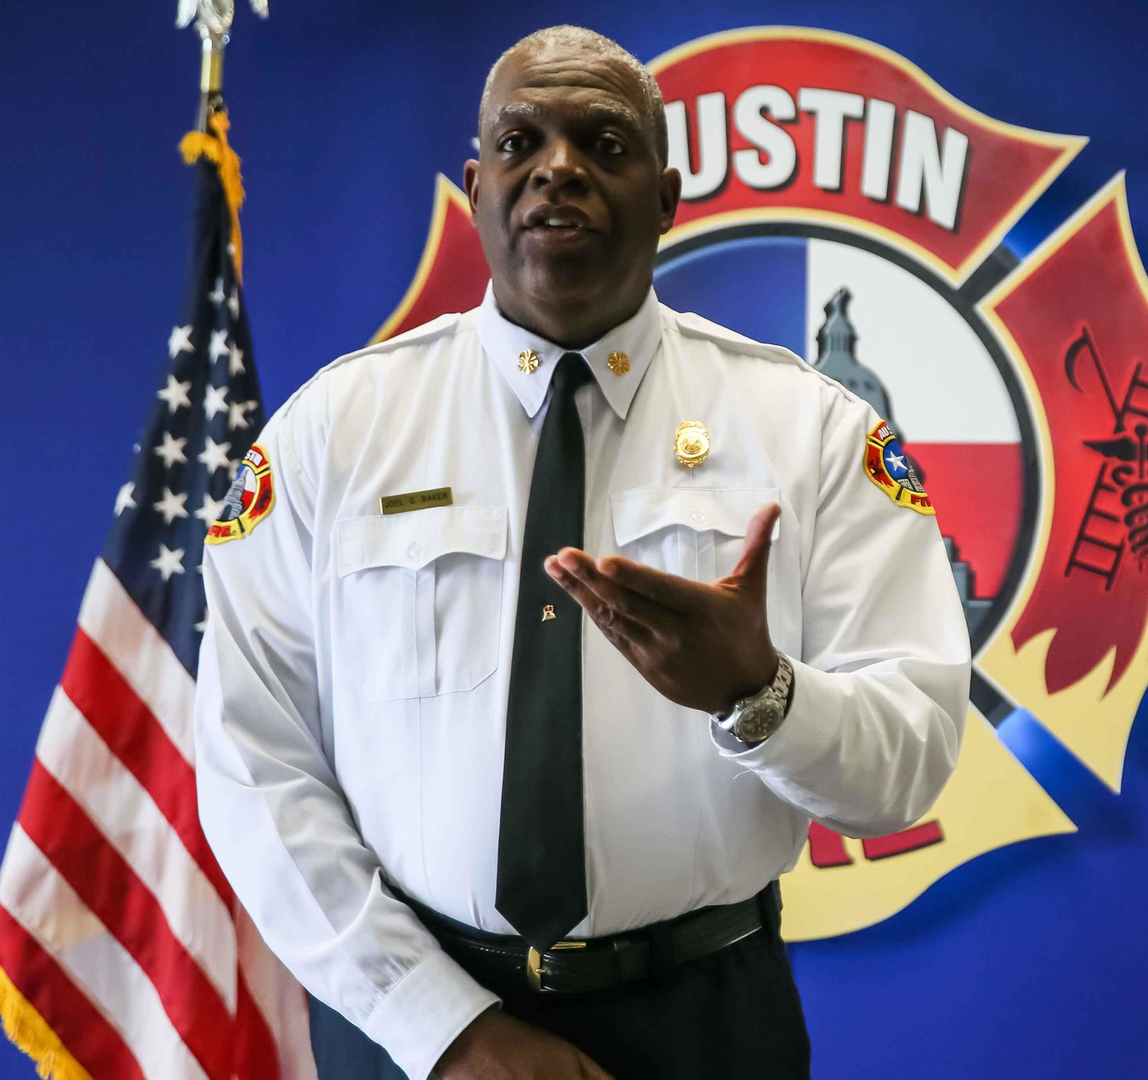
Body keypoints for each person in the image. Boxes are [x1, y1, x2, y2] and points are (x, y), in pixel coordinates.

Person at [193, 25, 969, 1080]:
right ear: (476, 185)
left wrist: (760, 692)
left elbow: (910, 760)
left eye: (605, 144)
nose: (559, 168)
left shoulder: (811, 431)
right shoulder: (333, 435)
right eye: (522, 142)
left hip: (705, 1026)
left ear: (667, 198)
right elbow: (252, 757)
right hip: (416, 1023)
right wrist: (443, 1026)